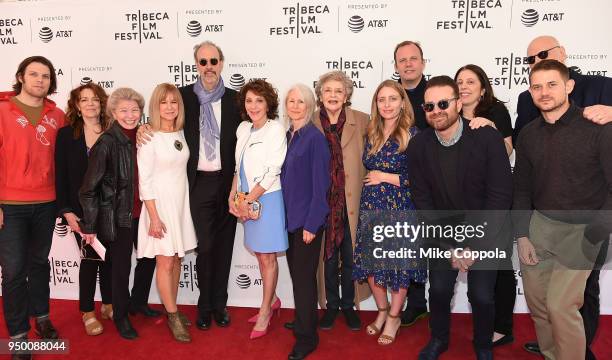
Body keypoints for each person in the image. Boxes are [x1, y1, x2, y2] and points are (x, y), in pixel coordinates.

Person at [512, 35, 612, 359]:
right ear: (530, 92)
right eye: (537, 87)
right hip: (540, 227)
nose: (545, 92)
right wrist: (522, 236)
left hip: (583, 229)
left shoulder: (597, 128)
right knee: (540, 306)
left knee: (561, 305)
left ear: (568, 86)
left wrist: (596, 231)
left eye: (552, 84)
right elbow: (522, 189)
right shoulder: (527, 136)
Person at [407, 76, 513, 360]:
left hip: (486, 230)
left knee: (480, 295)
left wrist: (474, 244)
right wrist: (450, 245)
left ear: (458, 102)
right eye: (429, 106)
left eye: (443, 103)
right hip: (443, 234)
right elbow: (423, 201)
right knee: (439, 291)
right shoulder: (418, 146)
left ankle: (482, 344)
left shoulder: (486, 136)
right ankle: (439, 338)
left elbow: (500, 196)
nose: (436, 110)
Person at [79, 87, 158, 340]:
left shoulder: (144, 136)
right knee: (120, 269)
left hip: (145, 213)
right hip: (118, 217)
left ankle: (138, 303)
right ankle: (121, 316)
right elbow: (88, 189)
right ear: (113, 112)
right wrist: (90, 226)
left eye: (135, 110)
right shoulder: (107, 142)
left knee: (148, 260)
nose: (130, 115)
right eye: (123, 110)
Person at [352, 80, 426, 346]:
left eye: (392, 99)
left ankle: (395, 315)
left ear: (402, 102)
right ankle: (382, 310)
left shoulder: (413, 134)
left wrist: (385, 176)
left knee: (398, 265)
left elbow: (421, 179)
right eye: (381, 99)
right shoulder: (371, 132)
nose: (387, 104)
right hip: (371, 206)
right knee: (372, 264)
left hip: (400, 207)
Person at [0, 56, 65, 354]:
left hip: (47, 203)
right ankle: (17, 335)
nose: (40, 80)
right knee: (13, 271)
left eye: (46, 76)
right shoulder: (2, 111)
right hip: (9, 205)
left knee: (39, 264)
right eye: (34, 74)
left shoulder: (58, 115)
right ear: (20, 77)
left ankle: (43, 318)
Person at [454, 64, 516, 347]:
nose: (464, 86)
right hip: (461, 207)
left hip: (494, 205)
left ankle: (502, 327)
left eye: (470, 81)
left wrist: (490, 130)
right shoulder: (448, 116)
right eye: (460, 82)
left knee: (499, 267)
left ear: (482, 87)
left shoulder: (495, 113)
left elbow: (505, 154)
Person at [136, 83, 198, 342]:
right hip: (159, 207)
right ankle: (173, 316)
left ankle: (172, 308)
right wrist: (154, 216)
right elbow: (145, 180)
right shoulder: (148, 136)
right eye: (164, 102)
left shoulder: (182, 133)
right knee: (164, 261)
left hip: (181, 205)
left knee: (176, 260)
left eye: (174, 102)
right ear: (155, 106)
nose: (170, 107)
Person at [229, 79, 287, 340]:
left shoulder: (276, 129)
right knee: (261, 255)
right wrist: (234, 195)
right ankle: (272, 300)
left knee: (267, 257)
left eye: (259, 100)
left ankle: (265, 310)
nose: (253, 106)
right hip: (245, 199)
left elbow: (273, 170)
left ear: (268, 104)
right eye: (249, 100)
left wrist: (248, 200)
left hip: (267, 200)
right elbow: (237, 168)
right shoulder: (243, 128)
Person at [313, 70, 369, 331]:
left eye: (338, 91)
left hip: (352, 203)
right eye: (328, 91)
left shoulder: (364, 121)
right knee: (327, 258)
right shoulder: (309, 123)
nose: (333, 95)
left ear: (346, 95)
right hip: (321, 205)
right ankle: (331, 305)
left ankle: (349, 304)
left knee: (350, 256)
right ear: (320, 95)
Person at [55, 83, 112, 336]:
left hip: (111, 209)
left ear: (102, 104)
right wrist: (67, 211)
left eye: (95, 100)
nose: (90, 104)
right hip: (81, 212)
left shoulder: (113, 131)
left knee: (109, 259)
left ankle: (109, 302)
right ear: (77, 106)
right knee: (90, 259)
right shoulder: (67, 135)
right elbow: (62, 176)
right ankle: (87, 310)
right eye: (84, 100)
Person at [281, 84, 330, 360]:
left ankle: (307, 338)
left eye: (301, 101)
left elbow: (322, 186)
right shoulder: (288, 135)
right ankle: (303, 320)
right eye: (291, 101)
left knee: (304, 280)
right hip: (287, 221)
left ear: (310, 106)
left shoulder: (314, 138)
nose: (296, 105)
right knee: (298, 279)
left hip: (306, 223)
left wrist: (312, 224)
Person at [393, 40, 430, 327]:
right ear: (396, 66)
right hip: (397, 183)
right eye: (402, 60)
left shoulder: (435, 93)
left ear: (423, 62)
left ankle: (422, 302)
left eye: (413, 58)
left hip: (431, 179)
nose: (408, 64)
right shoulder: (389, 95)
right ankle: (413, 302)